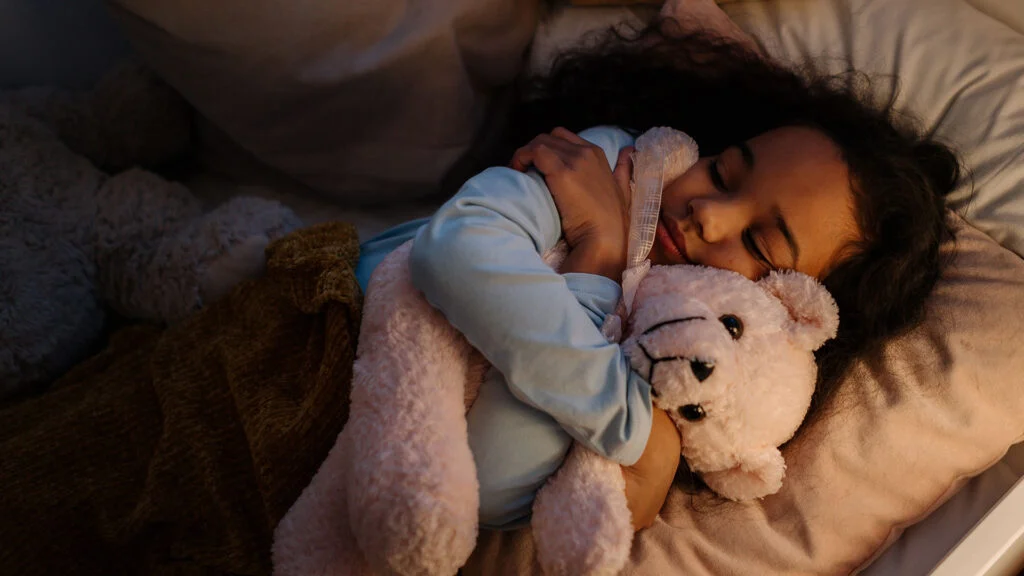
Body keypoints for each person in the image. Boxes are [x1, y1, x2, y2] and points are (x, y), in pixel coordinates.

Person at [354, 19, 960, 532]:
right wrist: (600, 254)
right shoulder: (623, 171)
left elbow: (481, 482)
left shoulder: (682, 372)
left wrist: (649, 440)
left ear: (788, 311)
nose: (710, 212)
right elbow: (449, 253)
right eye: (723, 172)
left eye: (757, 242)